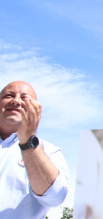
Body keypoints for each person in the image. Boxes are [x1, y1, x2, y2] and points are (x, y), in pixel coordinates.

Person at [0, 81, 69, 218]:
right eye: (9, 95)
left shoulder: (49, 151)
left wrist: (28, 142)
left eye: (24, 98)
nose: (15, 101)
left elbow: (55, 196)